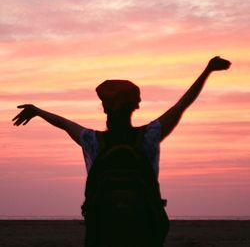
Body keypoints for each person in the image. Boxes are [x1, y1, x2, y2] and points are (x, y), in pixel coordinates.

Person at [12, 56, 231, 244]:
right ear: (134, 107)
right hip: (143, 230)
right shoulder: (149, 136)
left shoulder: (93, 141)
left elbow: (64, 123)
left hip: (104, 230)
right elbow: (182, 105)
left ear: (105, 108)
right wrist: (207, 70)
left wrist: (38, 111)